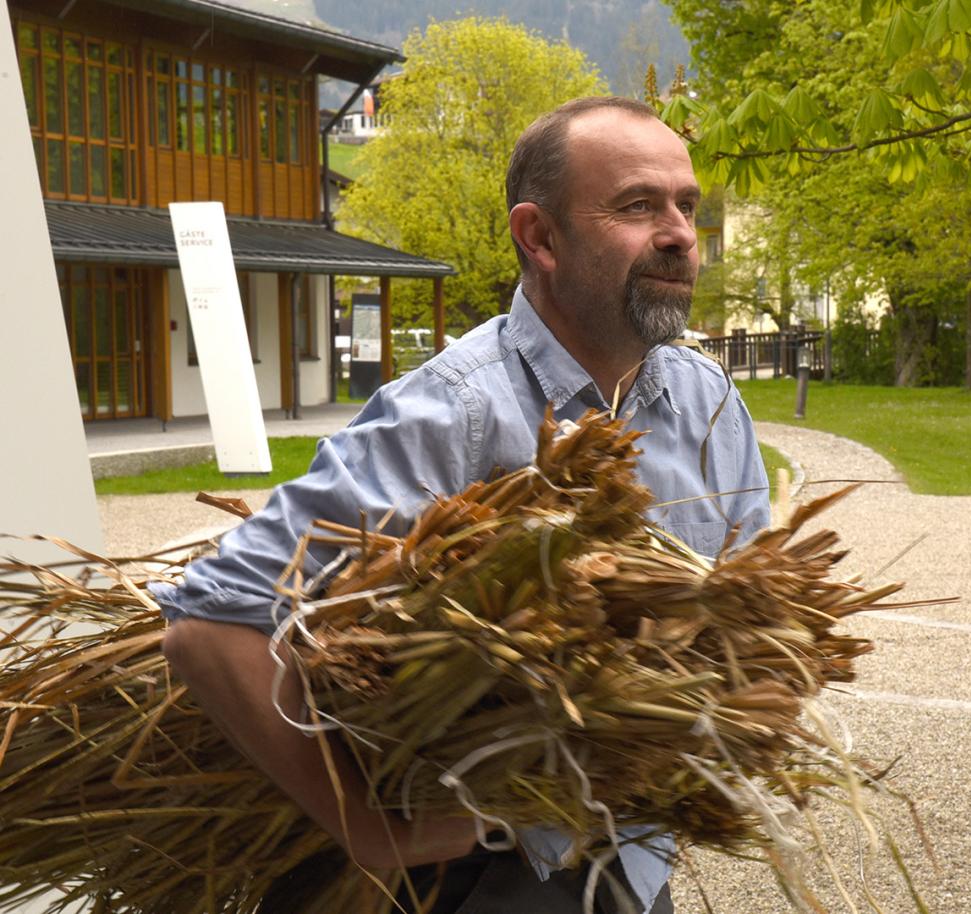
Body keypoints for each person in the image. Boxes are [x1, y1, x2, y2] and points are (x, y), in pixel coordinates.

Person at [159, 95, 770, 913]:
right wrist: (369, 829)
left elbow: (751, 624)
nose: (679, 233)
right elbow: (211, 623)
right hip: (480, 877)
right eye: (637, 206)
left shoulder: (711, 407)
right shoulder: (455, 412)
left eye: (686, 206)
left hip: (633, 864)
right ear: (540, 237)